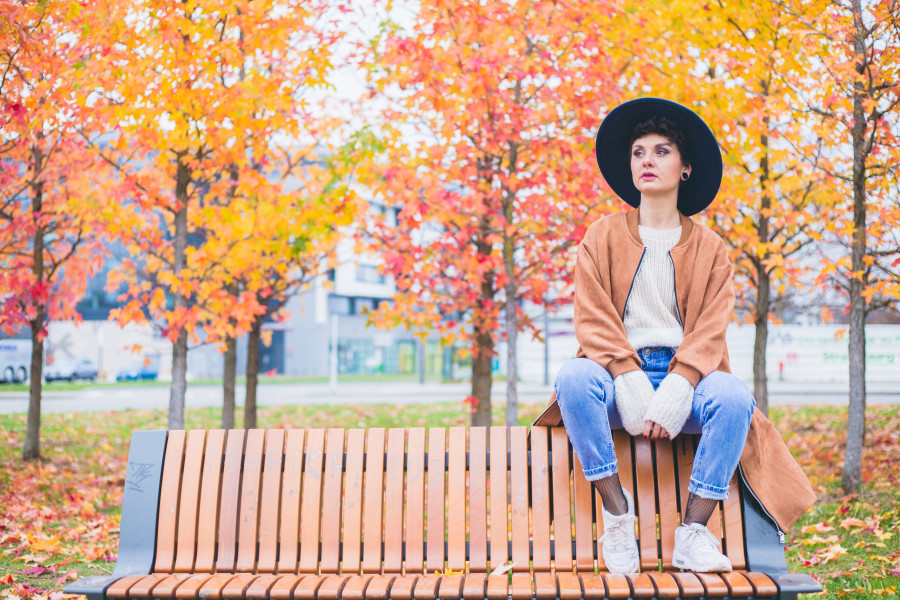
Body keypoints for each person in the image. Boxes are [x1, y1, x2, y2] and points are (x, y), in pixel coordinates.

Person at [531, 98, 816, 574]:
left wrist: (681, 383)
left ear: (684, 169)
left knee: (731, 395)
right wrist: (626, 375)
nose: (647, 159)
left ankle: (693, 533)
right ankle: (618, 518)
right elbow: (593, 316)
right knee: (573, 378)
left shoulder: (710, 249)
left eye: (662, 151)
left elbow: (710, 327)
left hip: (690, 380)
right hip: (614, 376)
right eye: (639, 151)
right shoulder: (600, 236)